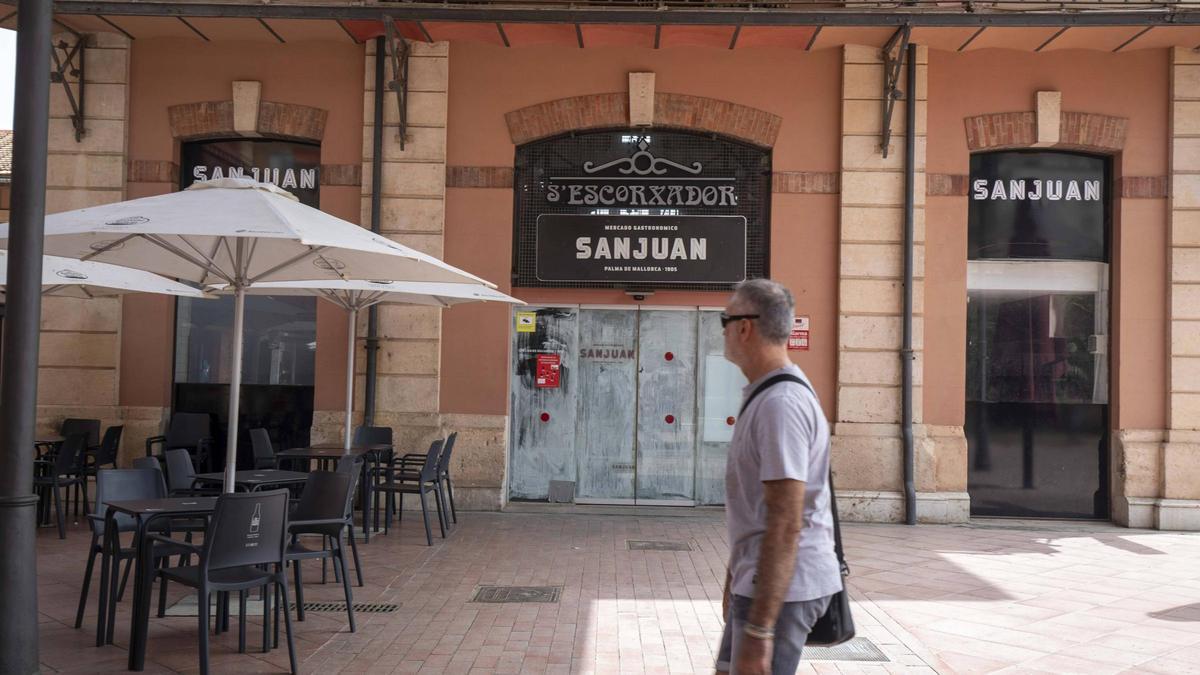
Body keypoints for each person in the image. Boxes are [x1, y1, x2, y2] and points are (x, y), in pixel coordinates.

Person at [716, 278, 842, 675]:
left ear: (744, 327)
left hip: (782, 591)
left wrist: (759, 628)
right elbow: (758, 510)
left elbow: (786, 522)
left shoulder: (780, 404)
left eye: (725, 319)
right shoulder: (766, 393)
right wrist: (735, 572)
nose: (723, 330)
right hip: (760, 582)